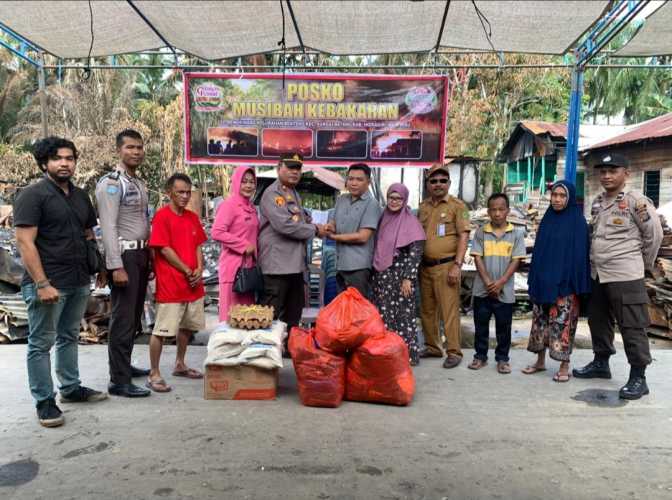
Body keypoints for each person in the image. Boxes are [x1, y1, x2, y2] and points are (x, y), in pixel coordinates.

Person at [14, 136, 108, 428]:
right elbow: (24, 242)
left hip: (78, 280)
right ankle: (44, 401)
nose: (65, 163)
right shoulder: (33, 195)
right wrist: (42, 284)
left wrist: (99, 265)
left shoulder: (80, 196)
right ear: (45, 163)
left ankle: (70, 388)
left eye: (69, 158)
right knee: (41, 343)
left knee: (69, 336)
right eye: (58, 159)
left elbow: (89, 234)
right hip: (48, 282)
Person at [573, 154, 663, 399]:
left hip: (625, 275)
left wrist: (641, 264)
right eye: (603, 171)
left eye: (613, 171)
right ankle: (601, 363)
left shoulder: (637, 202)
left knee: (633, 326)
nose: (606, 176)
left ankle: (638, 377)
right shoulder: (598, 202)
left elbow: (654, 236)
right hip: (599, 274)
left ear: (626, 173)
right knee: (598, 321)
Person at [96, 129, 152, 398]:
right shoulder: (111, 183)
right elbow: (107, 226)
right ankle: (118, 380)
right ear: (119, 150)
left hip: (140, 255)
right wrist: (115, 265)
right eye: (130, 147)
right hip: (124, 257)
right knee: (122, 318)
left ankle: (124, 366)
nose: (136, 152)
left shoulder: (138, 183)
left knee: (133, 317)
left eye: (139, 147)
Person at [522, 181, 591, 382]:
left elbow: (579, 257)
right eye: (554, 195)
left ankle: (564, 365)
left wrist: (568, 282)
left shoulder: (577, 222)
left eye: (562, 195)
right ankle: (540, 361)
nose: (557, 199)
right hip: (544, 283)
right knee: (540, 323)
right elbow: (539, 253)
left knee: (563, 325)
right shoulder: (548, 219)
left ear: (569, 198)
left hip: (565, 286)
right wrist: (535, 279)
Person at [147, 174, 207, 392]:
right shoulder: (162, 217)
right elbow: (163, 248)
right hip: (172, 283)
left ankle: (180, 364)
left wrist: (199, 269)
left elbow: (198, 245)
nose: (184, 196)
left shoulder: (192, 217)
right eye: (180, 192)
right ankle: (154, 372)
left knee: (187, 327)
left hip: (193, 284)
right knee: (162, 330)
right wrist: (187, 269)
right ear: (169, 192)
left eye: (187, 192)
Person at [258, 153, 326, 337]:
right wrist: (315, 229)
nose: (295, 172)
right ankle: (263, 357)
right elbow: (285, 225)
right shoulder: (272, 193)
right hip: (277, 266)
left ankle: (291, 351)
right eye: (290, 167)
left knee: (294, 315)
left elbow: (301, 219)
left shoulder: (293, 193)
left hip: (295, 265)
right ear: (279, 167)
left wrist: (314, 224)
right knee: (269, 315)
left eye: (298, 168)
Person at [418, 164, 470, 369]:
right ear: (428, 184)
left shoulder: (458, 206)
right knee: (427, 310)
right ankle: (433, 347)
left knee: (449, 311)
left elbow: (464, 236)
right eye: (433, 181)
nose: (438, 184)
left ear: (449, 183)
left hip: (447, 266)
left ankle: (454, 351)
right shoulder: (423, 207)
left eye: (442, 181)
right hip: (425, 267)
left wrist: (457, 265)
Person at [469, 193, 526, 374]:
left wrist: (500, 283)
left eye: (501, 209)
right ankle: (480, 356)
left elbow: (515, 261)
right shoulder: (481, 233)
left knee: (504, 327)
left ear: (508, 211)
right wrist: (487, 282)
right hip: (482, 290)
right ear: (488, 212)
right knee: (481, 325)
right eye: (493, 210)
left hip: (505, 290)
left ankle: (502, 359)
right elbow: (477, 258)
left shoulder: (516, 234)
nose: (497, 213)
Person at [371, 183, 426, 365]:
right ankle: (387, 355)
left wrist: (408, 279)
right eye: (391, 198)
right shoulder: (382, 218)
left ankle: (406, 356)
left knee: (403, 316)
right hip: (382, 276)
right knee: (383, 314)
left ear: (405, 200)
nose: (394, 202)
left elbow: (416, 252)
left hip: (401, 277)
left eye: (398, 198)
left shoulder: (411, 222)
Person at [326, 163, 381, 298]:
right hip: (340, 264)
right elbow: (333, 223)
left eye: (359, 179)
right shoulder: (341, 199)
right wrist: (328, 227)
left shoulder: (372, 204)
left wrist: (333, 237)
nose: (354, 183)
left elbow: (363, 237)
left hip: (358, 267)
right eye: (351, 179)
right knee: (343, 308)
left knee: (358, 310)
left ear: (368, 182)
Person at [211, 166, 258, 321]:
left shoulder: (251, 208)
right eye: (244, 181)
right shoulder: (228, 205)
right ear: (236, 182)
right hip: (233, 270)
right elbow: (217, 232)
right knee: (231, 319)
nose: (248, 185)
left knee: (247, 320)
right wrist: (243, 245)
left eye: (252, 182)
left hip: (249, 270)